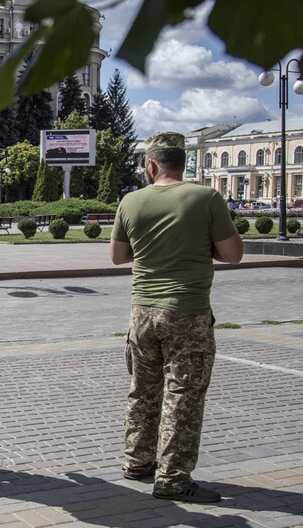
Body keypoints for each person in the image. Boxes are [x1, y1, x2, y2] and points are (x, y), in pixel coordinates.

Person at [109, 131, 243, 504]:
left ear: (151, 165)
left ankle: (136, 462)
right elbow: (233, 254)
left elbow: (118, 257)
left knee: (142, 390)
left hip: (142, 314)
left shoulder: (131, 201)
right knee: (183, 395)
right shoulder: (206, 197)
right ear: (183, 164)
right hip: (188, 312)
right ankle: (172, 479)